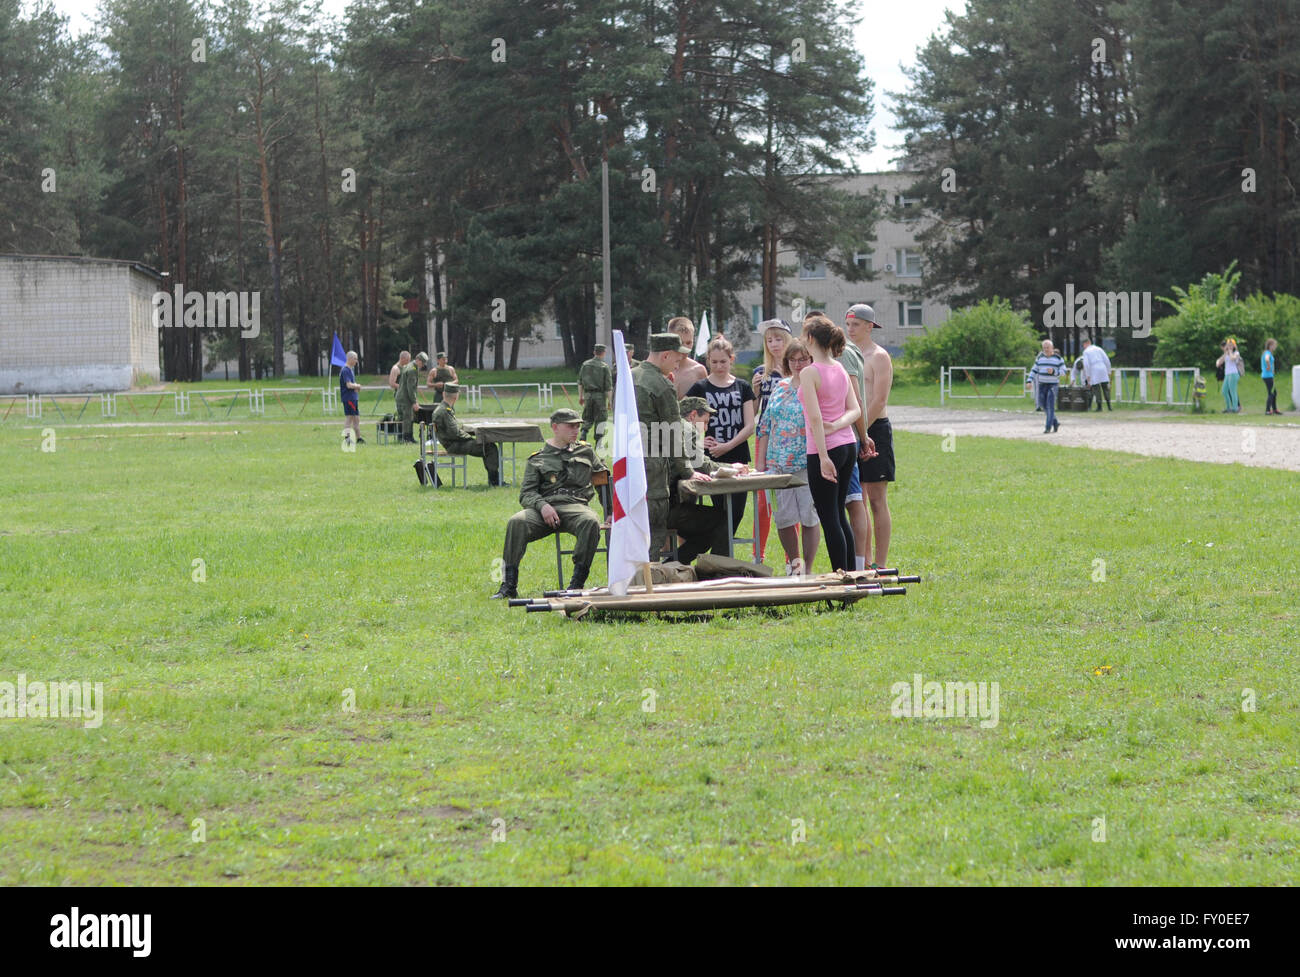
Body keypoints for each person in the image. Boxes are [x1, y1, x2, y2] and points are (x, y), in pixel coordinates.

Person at [491, 407, 607, 599]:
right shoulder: (538, 459)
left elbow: (603, 481)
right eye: (570, 426)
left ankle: (576, 585)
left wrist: (610, 510)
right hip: (544, 508)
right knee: (516, 522)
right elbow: (526, 493)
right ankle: (508, 585)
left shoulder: (585, 451)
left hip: (576, 507)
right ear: (555, 427)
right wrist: (543, 506)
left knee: (590, 521)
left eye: (577, 426)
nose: (575, 430)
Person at [799, 316, 869, 573]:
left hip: (823, 450)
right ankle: (851, 572)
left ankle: (843, 577)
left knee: (829, 518)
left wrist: (824, 456)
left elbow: (816, 418)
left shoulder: (810, 372)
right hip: (848, 446)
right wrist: (838, 426)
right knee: (839, 513)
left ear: (809, 340)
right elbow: (855, 410)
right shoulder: (839, 368)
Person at [633, 333, 709, 559]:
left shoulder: (629, 377)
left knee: (633, 531)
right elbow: (674, 433)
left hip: (628, 465)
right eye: (676, 359)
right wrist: (688, 471)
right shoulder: (662, 384)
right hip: (653, 469)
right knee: (655, 533)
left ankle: (629, 584)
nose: (678, 364)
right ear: (665, 355)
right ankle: (651, 585)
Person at [755, 339, 820, 575]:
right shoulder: (780, 387)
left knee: (809, 515)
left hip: (806, 461)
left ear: (811, 359)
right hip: (777, 463)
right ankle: (795, 565)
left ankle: (809, 568)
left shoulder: (815, 385)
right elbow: (764, 425)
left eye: (802, 358)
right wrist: (761, 463)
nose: (797, 364)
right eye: (792, 359)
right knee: (783, 518)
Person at [686, 336, 756, 534]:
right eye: (714, 362)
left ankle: (721, 555)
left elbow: (750, 425)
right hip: (712, 458)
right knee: (720, 510)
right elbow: (684, 419)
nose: (719, 366)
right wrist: (700, 440)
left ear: (732, 359)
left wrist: (729, 445)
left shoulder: (742, 386)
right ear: (708, 360)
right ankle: (720, 554)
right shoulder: (700, 387)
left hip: (738, 455)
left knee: (737, 512)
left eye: (723, 361)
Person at [849, 304, 895, 570]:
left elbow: (879, 400)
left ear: (869, 326)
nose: (850, 329)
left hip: (874, 427)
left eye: (856, 324)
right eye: (848, 324)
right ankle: (863, 560)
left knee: (877, 498)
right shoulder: (846, 354)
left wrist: (862, 430)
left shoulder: (879, 356)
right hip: (854, 429)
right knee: (858, 498)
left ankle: (880, 561)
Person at [670, 397, 736, 563]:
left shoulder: (670, 427)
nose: (705, 428)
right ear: (692, 416)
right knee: (722, 520)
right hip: (667, 509)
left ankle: (673, 566)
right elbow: (703, 466)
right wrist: (733, 468)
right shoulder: (687, 430)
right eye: (705, 422)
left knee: (708, 530)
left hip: (653, 505)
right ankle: (718, 573)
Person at [432, 382, 501, 485]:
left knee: (487, 446)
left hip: (451, 443)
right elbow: (455, 433)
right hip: (454, 445)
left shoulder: (442, 409)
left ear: (443, 394)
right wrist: (471, 437)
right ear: (456, 396)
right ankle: (495, 481)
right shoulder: (444, 411)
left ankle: (493, 480)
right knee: (490, 447)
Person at [750, 319, 792, 419]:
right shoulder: (760, 372)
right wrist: (755, 391)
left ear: (788, 340)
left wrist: (786, 380)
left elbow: (801, 403)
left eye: (778, 339)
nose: (774, 344)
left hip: (788, 428)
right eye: (769, 341)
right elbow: (752, 414)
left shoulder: (796, 369)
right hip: (765, 430)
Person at [577, 343, 612, 442]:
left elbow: (580, 382)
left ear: (594, 352)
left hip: (588, 395)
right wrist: (610, 401)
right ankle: (598, 440)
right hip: (600, 396)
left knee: (587, 416)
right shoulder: (604, 367)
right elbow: (608, 387)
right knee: (601, 419)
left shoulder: (585, 364)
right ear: (604, 353)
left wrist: (581, 396)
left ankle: (584, 432)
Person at [1029, 340, 1065, 433]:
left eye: (1047, 347)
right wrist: (1029, 380)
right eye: (1044, 348)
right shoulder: (1040, 358)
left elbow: (1063, 372)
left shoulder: (1058, 358)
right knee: (1042, 405)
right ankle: (1055, 422)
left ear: (1052, 348)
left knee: (1050, 405)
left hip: (1053, 385)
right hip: (1042, 385)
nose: (1046, 349)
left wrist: (1053, 372)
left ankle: (1048, 427)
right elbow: (1034, 369)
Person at [667, 316, 708, 397]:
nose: (685, 347)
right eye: (680, 342)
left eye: (689, 343)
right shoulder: (659, 369)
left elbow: (705, 404)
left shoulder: (699, 371)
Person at [395, 351, 426, 443]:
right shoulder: (412, 369)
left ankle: (400, 437)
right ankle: (408, 438)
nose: (423, 365)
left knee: (401, 418)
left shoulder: (407, 366)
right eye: (422, 362)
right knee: (408, 418)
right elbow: (410, 388)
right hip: (406, 398)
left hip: (400, 396)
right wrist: (414, 401)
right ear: (417, 359)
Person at [1081, 336, 1112, 411]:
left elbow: (1086, 364)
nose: (1083, 347)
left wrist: (1088, 375)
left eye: (1083, 345)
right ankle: (1109, 406)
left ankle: (1099, 407)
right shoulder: (1099, 348)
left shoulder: (1086, 352)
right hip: (1102, 367)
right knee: (1105, 388)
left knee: (1096, 388)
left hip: (1094, 369)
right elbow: (1106, 359)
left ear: (1086, 343)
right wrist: (1108, 371)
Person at [340, 350, 363, 444]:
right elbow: (348, 385)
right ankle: (347, 438)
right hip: (349, 398)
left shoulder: (350, 370)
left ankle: (359, 438)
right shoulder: (345, 370)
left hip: (353, 398)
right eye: (355, 358)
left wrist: (356, 388)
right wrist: (357, 386)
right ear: (349, 359)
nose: (356, 361)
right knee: (349, 418)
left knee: (356, 418)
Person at [1216, 338, 1244, 413]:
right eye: (1229, 345)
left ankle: (1235, 408)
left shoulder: (1236, 353)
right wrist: (1225, 353)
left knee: (1232, 391)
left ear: (1234, 346)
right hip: (1227, 374)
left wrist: (1230, 351)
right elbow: (1219, 363)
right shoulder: (1226, 354)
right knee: (1224, 391)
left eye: (1231, 345)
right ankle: (1228, 407)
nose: (1230, 346)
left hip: (1234, 373)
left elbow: (1232, 359)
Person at [1261, 338, 1280, 414]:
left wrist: (1272, 369)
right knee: (1271, 393)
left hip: (1269, 375)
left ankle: (1274, 409)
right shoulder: (1267, 353)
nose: (1275, 347)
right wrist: (1269, 366)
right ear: (1270, 345)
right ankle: (1268, 410)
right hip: (1267, 376)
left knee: (1273, 392)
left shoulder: (1268, 353)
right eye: (1274, 345)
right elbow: (1267, 359)